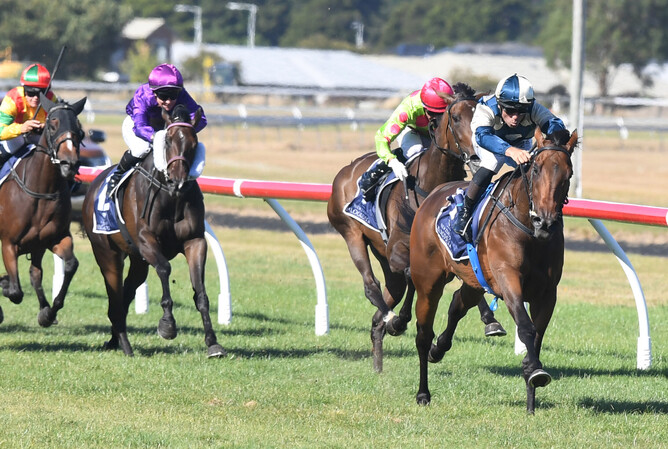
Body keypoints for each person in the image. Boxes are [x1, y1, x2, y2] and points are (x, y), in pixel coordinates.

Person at [452, 73, 566, 240]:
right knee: (494, 161)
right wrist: (510, 150)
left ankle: (537, 211)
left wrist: (555, 135)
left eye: (521, 111)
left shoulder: (533, 108)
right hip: (488, 141)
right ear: (499, 104)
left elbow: (556, 124)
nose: (515, 116)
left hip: (520, 142)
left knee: (534, 168)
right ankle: (465, 211)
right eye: (510, 110)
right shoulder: (486, 108)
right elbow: (483, 137)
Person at [106, 63, 207, 196]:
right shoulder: (143, 95)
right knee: (142, 149)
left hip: (165, 128)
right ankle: (117, 175)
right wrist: (156, 138)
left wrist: (181, 133)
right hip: (135, 126)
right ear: (154, 92)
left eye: (173, 96)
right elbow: (140, 127)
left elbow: (201, 119)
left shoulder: (181, 94)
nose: (169, 101)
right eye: (164, 96)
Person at [358, 77, 454, 199]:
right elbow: (381, 137)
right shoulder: (408, 109)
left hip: (434, 133)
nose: (438, 119)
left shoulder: (452, 104)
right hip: (413, 129)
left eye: (442, 114)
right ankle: (377, 172)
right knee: (415, 151)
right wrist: (392, 162)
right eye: (433, 114)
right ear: (424, 107)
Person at [0, 63, 58, 166]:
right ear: (24, 90)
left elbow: (59, 125)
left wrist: (47, 126)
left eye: (41, 94)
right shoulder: (12, 99)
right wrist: (21, 128)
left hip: (38, 137)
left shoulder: (51, 99)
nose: (36, 98)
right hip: (15, 138)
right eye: (31, 93)